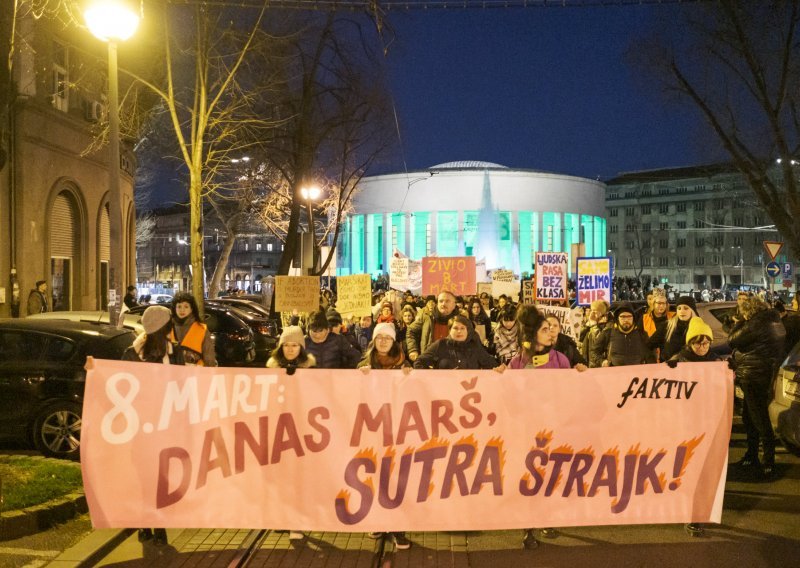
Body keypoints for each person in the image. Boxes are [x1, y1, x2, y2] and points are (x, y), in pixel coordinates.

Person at [508, 305, 567, 549]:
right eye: (545, 329)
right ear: (533, 334)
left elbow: (572, 392)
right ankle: (527, 525)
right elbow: (509, 397)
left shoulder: (561, 359)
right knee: (528, 476)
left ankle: (546, 517)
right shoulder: (517, 362)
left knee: (549, 474)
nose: (550, 333)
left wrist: (581, 373)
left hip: (552, 427)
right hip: (526, 429)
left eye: (551, 329)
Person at [122, 305, 181, 546]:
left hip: (167, 426)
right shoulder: (132, 353)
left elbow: (182, 384)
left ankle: (160, 523)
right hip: (142, 427)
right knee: (146, 477)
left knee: (163, 477)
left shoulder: (174, 352)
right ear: (163, 328)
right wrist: (94, 370)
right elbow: (119, 382)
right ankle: (147, 522)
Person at [265, 325, 315, 542]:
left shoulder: (310, 369)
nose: (291, 349)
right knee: (280, 478)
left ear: (301, 348)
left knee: (299, 478)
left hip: (301, 430)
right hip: (278, 429)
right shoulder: (272, 369)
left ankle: (297, 521)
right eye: (286, 345)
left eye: (295, 345)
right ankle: (282, 517)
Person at [728, 296, 785, 478]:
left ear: (749, 311)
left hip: (753, 375)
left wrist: (738, 322)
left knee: (759, 419)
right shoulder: (773, 320)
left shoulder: (756, 323)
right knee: (749, 417)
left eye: (744, 312)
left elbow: (732, 340)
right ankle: (751, 455)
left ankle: (768, 462)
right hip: (763, 373)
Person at [413, 314, 504, 371]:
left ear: (467, 331)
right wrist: (436, 376)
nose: (459, 331)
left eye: (462, 328)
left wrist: (499, 369)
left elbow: (493, 365)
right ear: (449, 330)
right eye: (455, 328)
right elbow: (419, 362)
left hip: (468, 394)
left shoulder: (475, 347)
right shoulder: (440, 344)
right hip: (443, 394)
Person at [406, 291, 459, 362]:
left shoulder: (461, 321)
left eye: (447, 301)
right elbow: (411, 330)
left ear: (454, 304)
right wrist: (413, 350)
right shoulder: (427, 317)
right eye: (441, 301)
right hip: (429, 362)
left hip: (451, 364)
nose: (443, 304)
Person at [170, 292, 216, 366]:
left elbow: (209, 359)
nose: (182, 310)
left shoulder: (201, 329)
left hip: (196, 375)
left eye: (186, 306)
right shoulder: (168, 328)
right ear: (174, 309)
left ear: (191, 309)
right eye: (179, 306)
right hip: (172, 375)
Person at [647, 296, 699, 363]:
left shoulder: (699, 327)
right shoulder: (667, 326)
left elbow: (705, 350)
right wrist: (651, 360)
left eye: (686, 308)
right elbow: (648, 345)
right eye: (679, 308)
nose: (682, 311)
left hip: (691, 369)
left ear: (692, 310)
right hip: (669, 369)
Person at [580, 300, 612, 368]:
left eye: (595, 310)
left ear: (601, 312)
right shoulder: (589, 324)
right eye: (591, 310)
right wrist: (589, 323)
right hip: (588, 363)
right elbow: (580, 337)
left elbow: (597, 342)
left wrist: (595, 325)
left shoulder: (608, 326)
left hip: (599, 364)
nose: (592, 313)